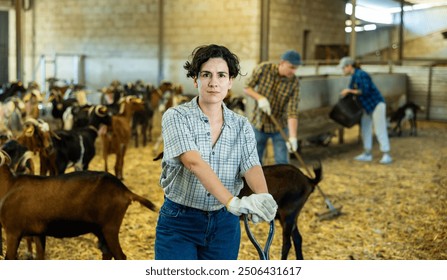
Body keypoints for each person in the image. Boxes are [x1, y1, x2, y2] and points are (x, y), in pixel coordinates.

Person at [154, 44, 278, 260]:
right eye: (206, 75)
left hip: (224, 225)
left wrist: (263, 197)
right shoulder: (176, 116)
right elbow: (193, 162)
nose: (213, 82)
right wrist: (232, 202)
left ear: (230, 81)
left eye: (221, 75)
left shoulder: (241, 125)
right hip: (180, 221)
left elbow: (251, 165)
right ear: (195, 80)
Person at [243, 50, 301, 164]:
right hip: (259, 124)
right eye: (291, 67)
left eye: (296, 68)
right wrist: (260, 98)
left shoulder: (294, 82)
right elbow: (247, 87)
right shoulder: (264, 69)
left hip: (279, 126)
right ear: (282, 63)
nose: (293, 71)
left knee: (282, 162)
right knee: (254, 162)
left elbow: (292, 111)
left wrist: (293, 137)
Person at [338, 56, 392, 164]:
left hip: (376, 104)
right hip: (366, 107)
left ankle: (386, 154)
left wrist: (349, 91)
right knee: (365, 128)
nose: (343, 70)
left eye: (343, 68)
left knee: (379, 129)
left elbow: (365, 91)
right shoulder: (354, 76)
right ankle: (367, 153)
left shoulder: (361, 74)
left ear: (349, 66)